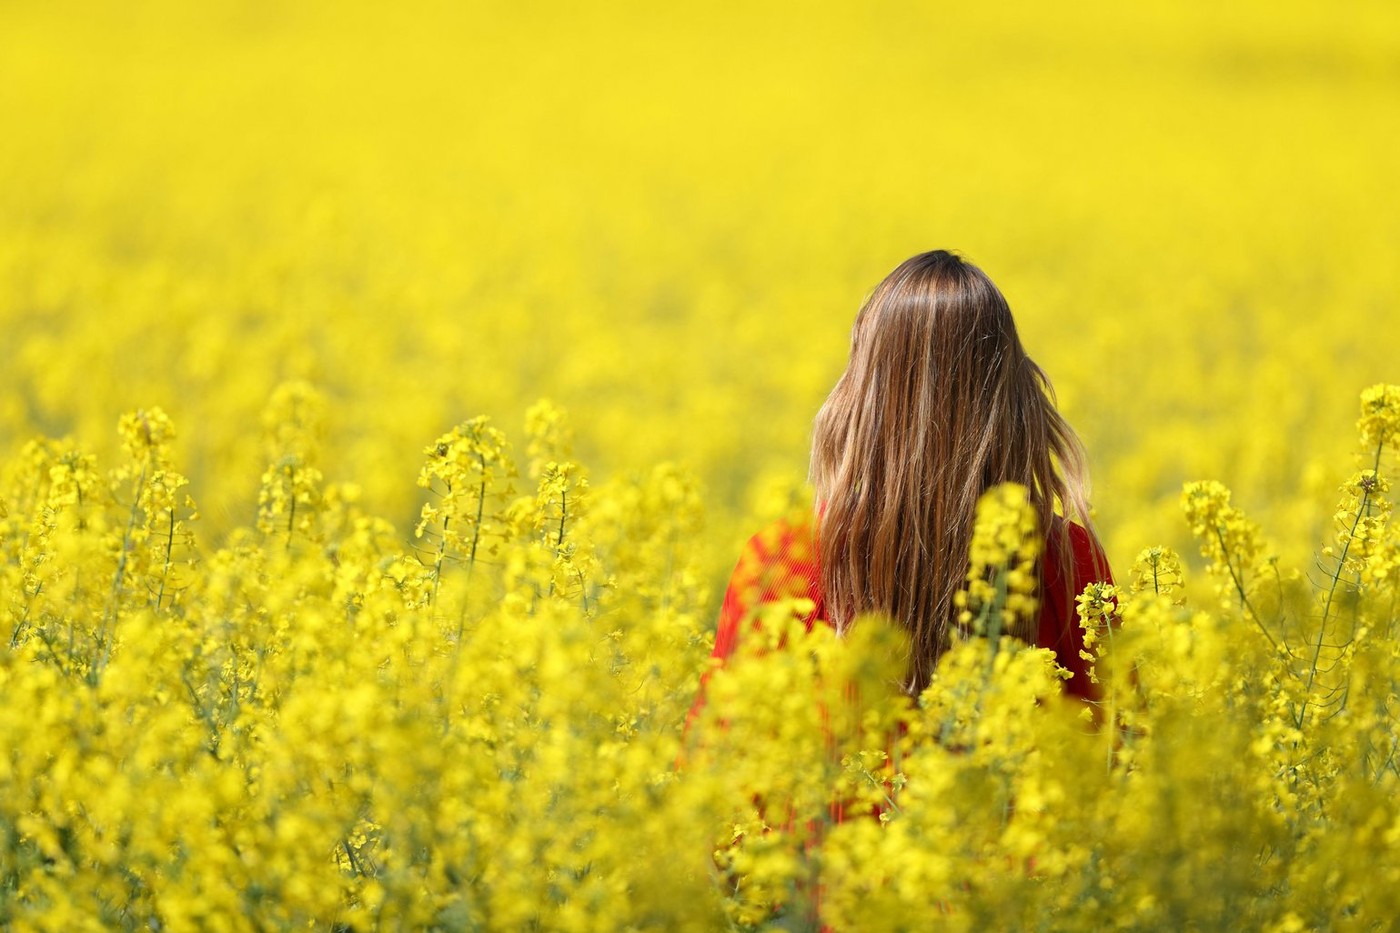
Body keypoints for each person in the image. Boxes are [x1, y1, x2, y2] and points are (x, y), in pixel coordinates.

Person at [689, 249, 1113, 735]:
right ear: (1013, 399)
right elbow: (1121, 756)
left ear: (857, 398)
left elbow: (716, 759)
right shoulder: (1068, 562)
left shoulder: (783, 564)